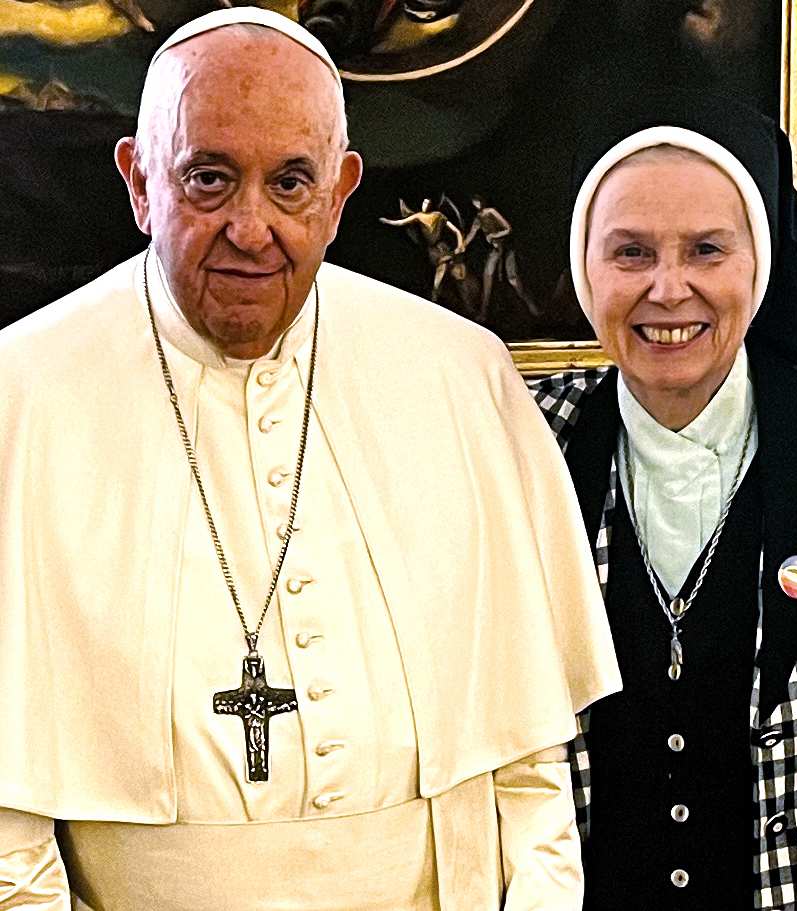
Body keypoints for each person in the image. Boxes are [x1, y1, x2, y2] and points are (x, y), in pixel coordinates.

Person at [0, 9, 621, 910]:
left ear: (339, 192)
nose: (251, 228)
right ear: (139, 183)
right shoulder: (23, 394)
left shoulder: (458, 378)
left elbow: (529, 773)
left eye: (291, 183)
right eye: (208, 179)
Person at [533, 91, 797, 909]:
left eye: (707, 249)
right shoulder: (524, 443)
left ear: (760, 261)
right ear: (582, 264)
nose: (669, 290)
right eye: (629, 252)